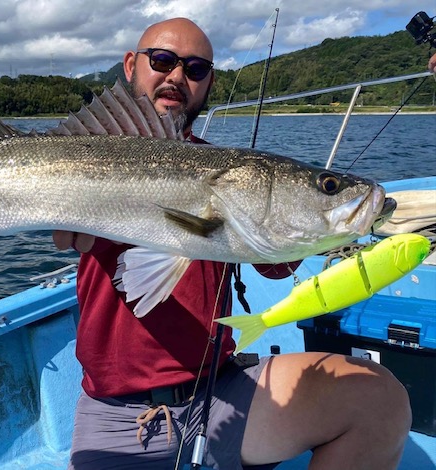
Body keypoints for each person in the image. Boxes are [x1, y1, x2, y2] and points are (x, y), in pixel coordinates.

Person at [54, 18, 411, 469]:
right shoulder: (81, 154)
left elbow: (275, 264)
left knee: (378, 399)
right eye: (162, 60)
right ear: (131, 65)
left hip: (223, 389)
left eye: (196, 68)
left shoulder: (230, 170)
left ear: (209, 82)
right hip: (119, 413)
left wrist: (321, 229)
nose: (177, 77)